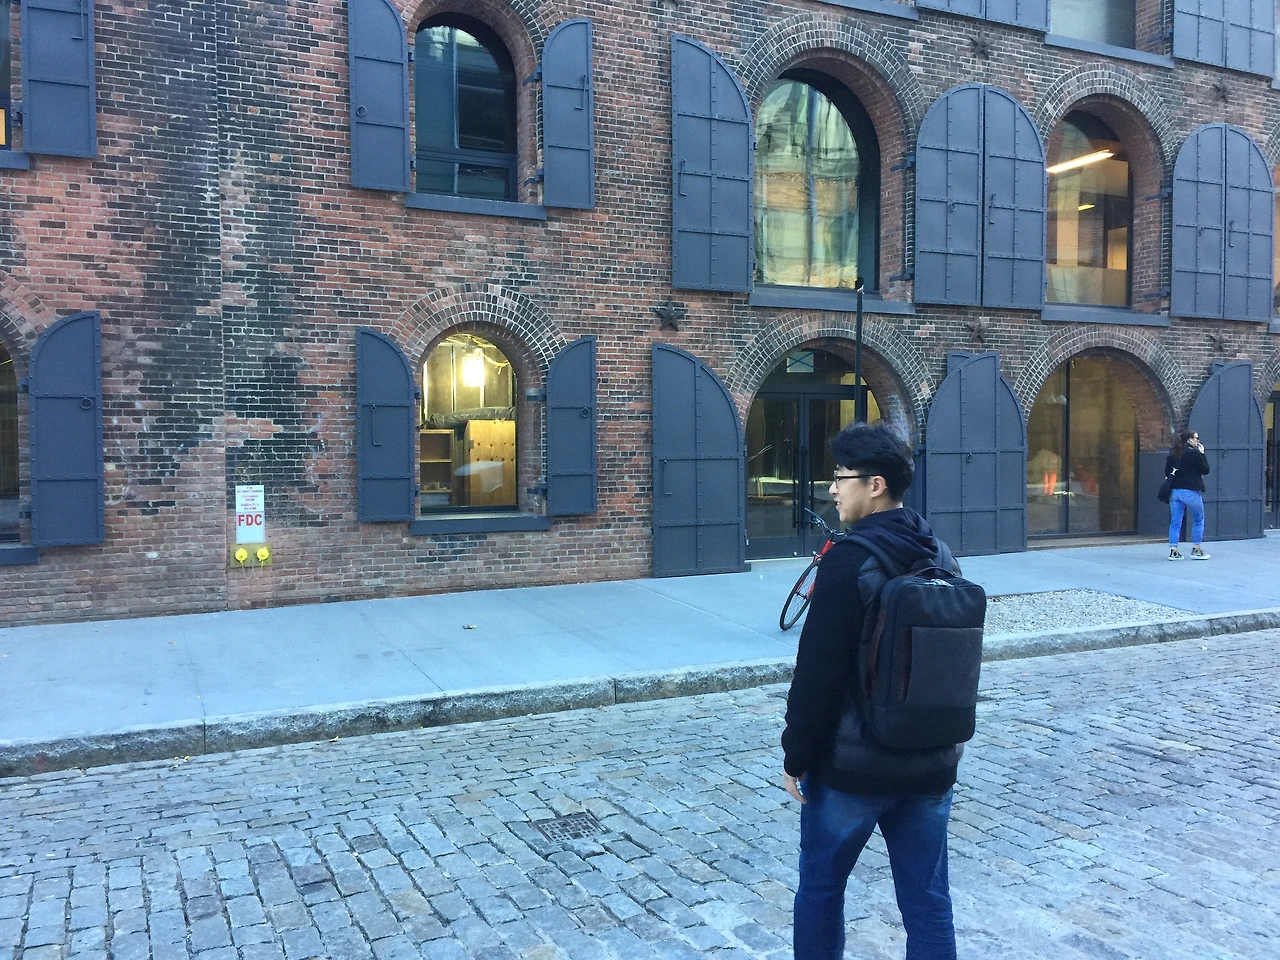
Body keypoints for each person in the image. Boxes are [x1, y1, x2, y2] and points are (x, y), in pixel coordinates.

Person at [782, 422, 962, 960]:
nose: (832, 490)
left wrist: (796, 756)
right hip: (930, 762)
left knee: (821, 890)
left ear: (875, 485)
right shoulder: (939, 552)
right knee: (928, 901)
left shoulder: (847, 560)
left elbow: (817, 673)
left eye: (841, 478)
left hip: (852, 769)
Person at [1166, 429, 1211, 560]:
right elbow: (1206, 470)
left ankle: (1174, 551)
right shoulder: (1195, 454)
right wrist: (1202, 454)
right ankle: (1196, 549)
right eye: (1196, 438)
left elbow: (1167, 474)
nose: (1198, 440)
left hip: (1175, 492)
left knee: (1175, 522)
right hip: (1190, 492)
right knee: (1198, 519)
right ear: (1190, 440)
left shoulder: (1173, 455)